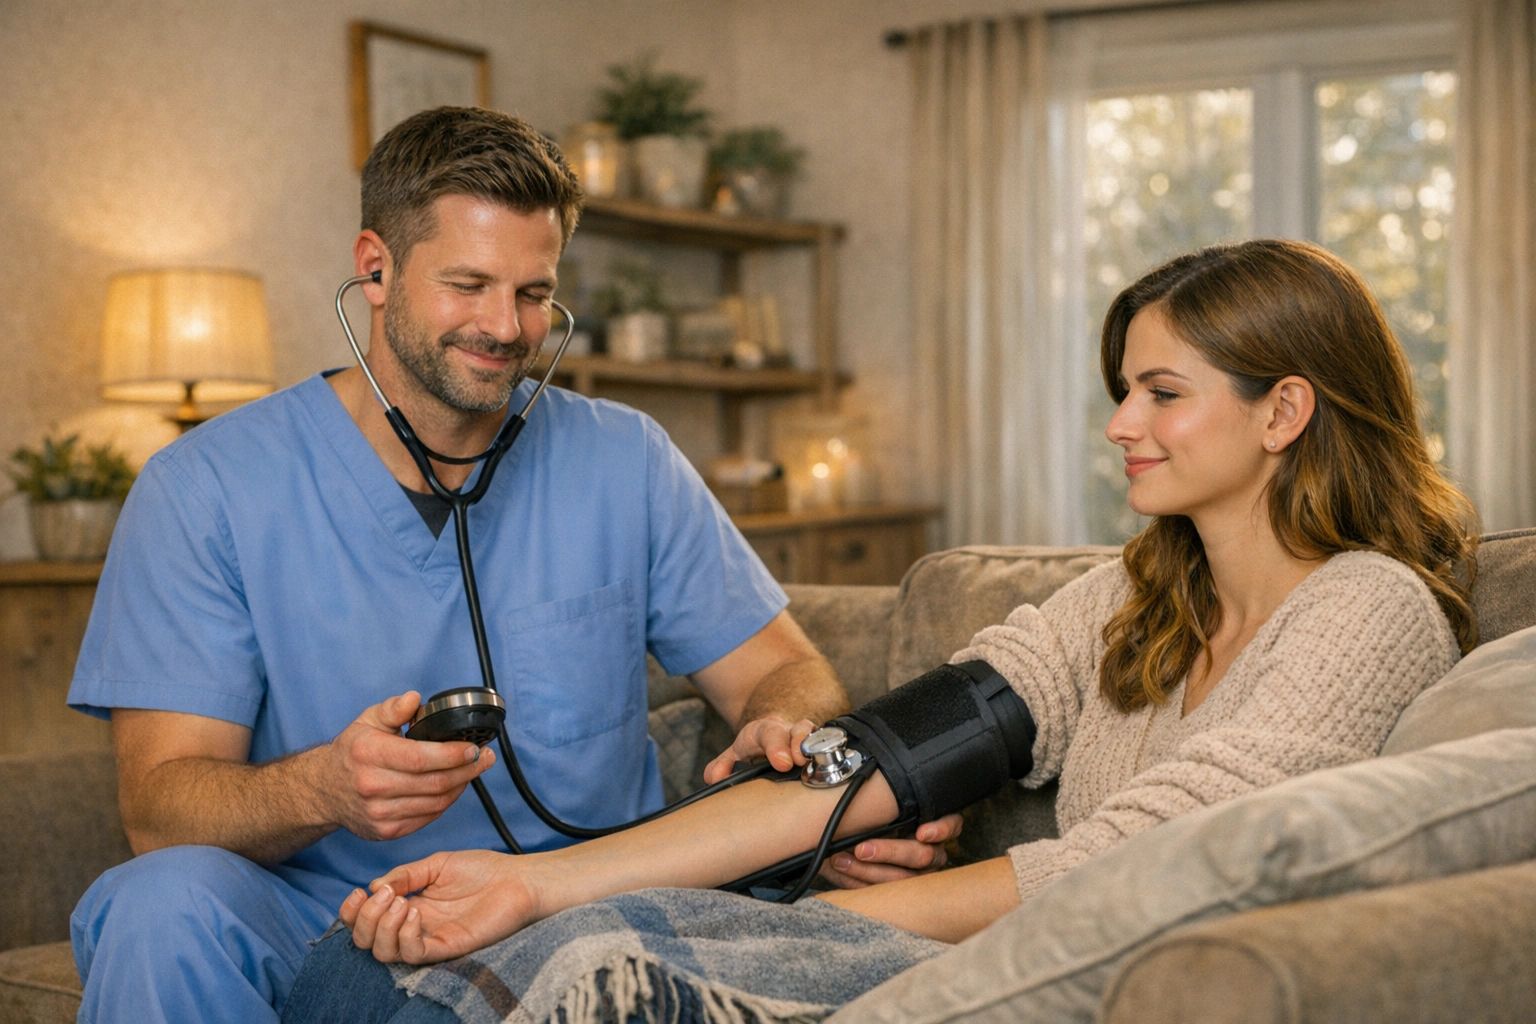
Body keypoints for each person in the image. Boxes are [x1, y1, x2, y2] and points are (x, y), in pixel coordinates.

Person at [295, 237, 1479, 1017]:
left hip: (1086, 978)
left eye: (1162, 393)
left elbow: (1128, 869)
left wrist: (758, 918)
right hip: (975, 946)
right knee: (377, 966)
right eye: (1123, 387)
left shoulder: (1368, 609)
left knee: (599, 970)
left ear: (1284, 410)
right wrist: (530, 882)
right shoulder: (1134, 596)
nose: (1121, 423)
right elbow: (854, 770)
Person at [65, 106, 956, 1023]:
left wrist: (786, 734)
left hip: (582, 909)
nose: (506, 326)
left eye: (535, 292)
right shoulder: (203, 488)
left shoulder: (626, 457)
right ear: (375, 268)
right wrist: (323, 785)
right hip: (322, 912)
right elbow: (162, 810)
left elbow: (782, 669)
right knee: (155, 904)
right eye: (468, 284)